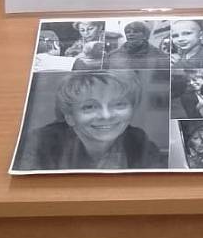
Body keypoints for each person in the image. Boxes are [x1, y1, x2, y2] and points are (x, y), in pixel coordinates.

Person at [15, 70, 167, 171]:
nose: (106, 115)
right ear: (70, 116)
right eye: (89, 107)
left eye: (119, 104)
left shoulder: (138, 140)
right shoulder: (40, 142)